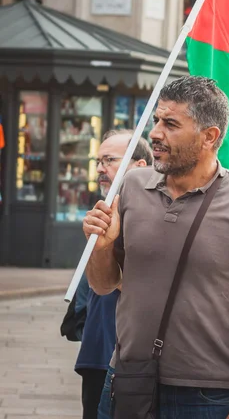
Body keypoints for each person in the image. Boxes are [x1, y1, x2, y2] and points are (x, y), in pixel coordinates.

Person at [83, 76, 229, 419]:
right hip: (127, 379)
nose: (155, 134)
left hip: (207, 396)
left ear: (210, 136)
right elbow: (103, 284)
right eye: (157, 121)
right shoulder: (131, 186)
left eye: (171, 124)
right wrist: (101, 246)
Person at [75, 129, 153, 419]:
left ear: (139, 166)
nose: (99, 168)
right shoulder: (103, 210)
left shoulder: (154, 215)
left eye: (109, 160)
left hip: (133, 355)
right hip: (99, 347)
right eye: (97, 161)